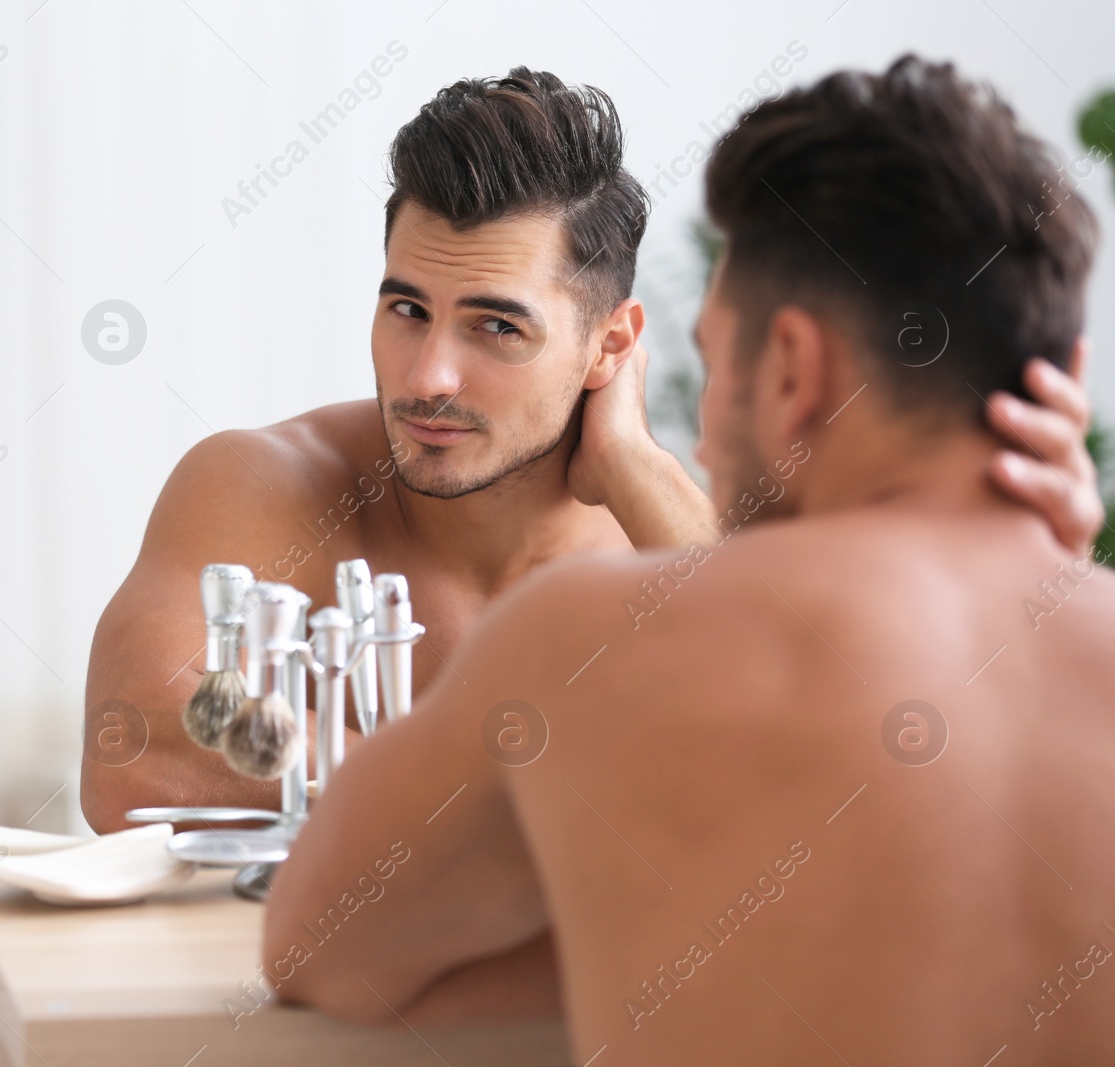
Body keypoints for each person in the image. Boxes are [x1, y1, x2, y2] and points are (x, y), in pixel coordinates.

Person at [265, 56, 1115, 1063]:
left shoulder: (579, 641)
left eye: (714, 358)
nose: (702, 437)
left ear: (792, 369)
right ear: (1062, 374)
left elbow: (318, 945)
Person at [81, 67, 1105, 834]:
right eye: (406, 308)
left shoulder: (670, 534)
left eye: (496, 327)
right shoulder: (265, 484)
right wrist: (534, 812)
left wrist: (640, 475)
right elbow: (127, 763)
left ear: (608, 344)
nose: (427, 374)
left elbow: (823, 767)